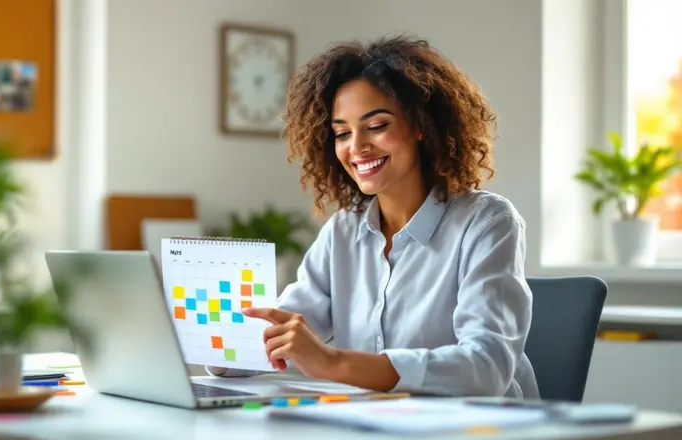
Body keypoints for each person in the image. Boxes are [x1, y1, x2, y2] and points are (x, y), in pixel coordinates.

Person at [208, 35, 540, 399]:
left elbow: (486, 368)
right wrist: (212, 345)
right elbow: (282, 332)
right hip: (377, 420)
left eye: (377, 126)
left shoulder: (487, 223)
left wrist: (334, 363)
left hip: (481, 423)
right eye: (342, 133)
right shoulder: (343, 231)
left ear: (420, 124)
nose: (356, 147)